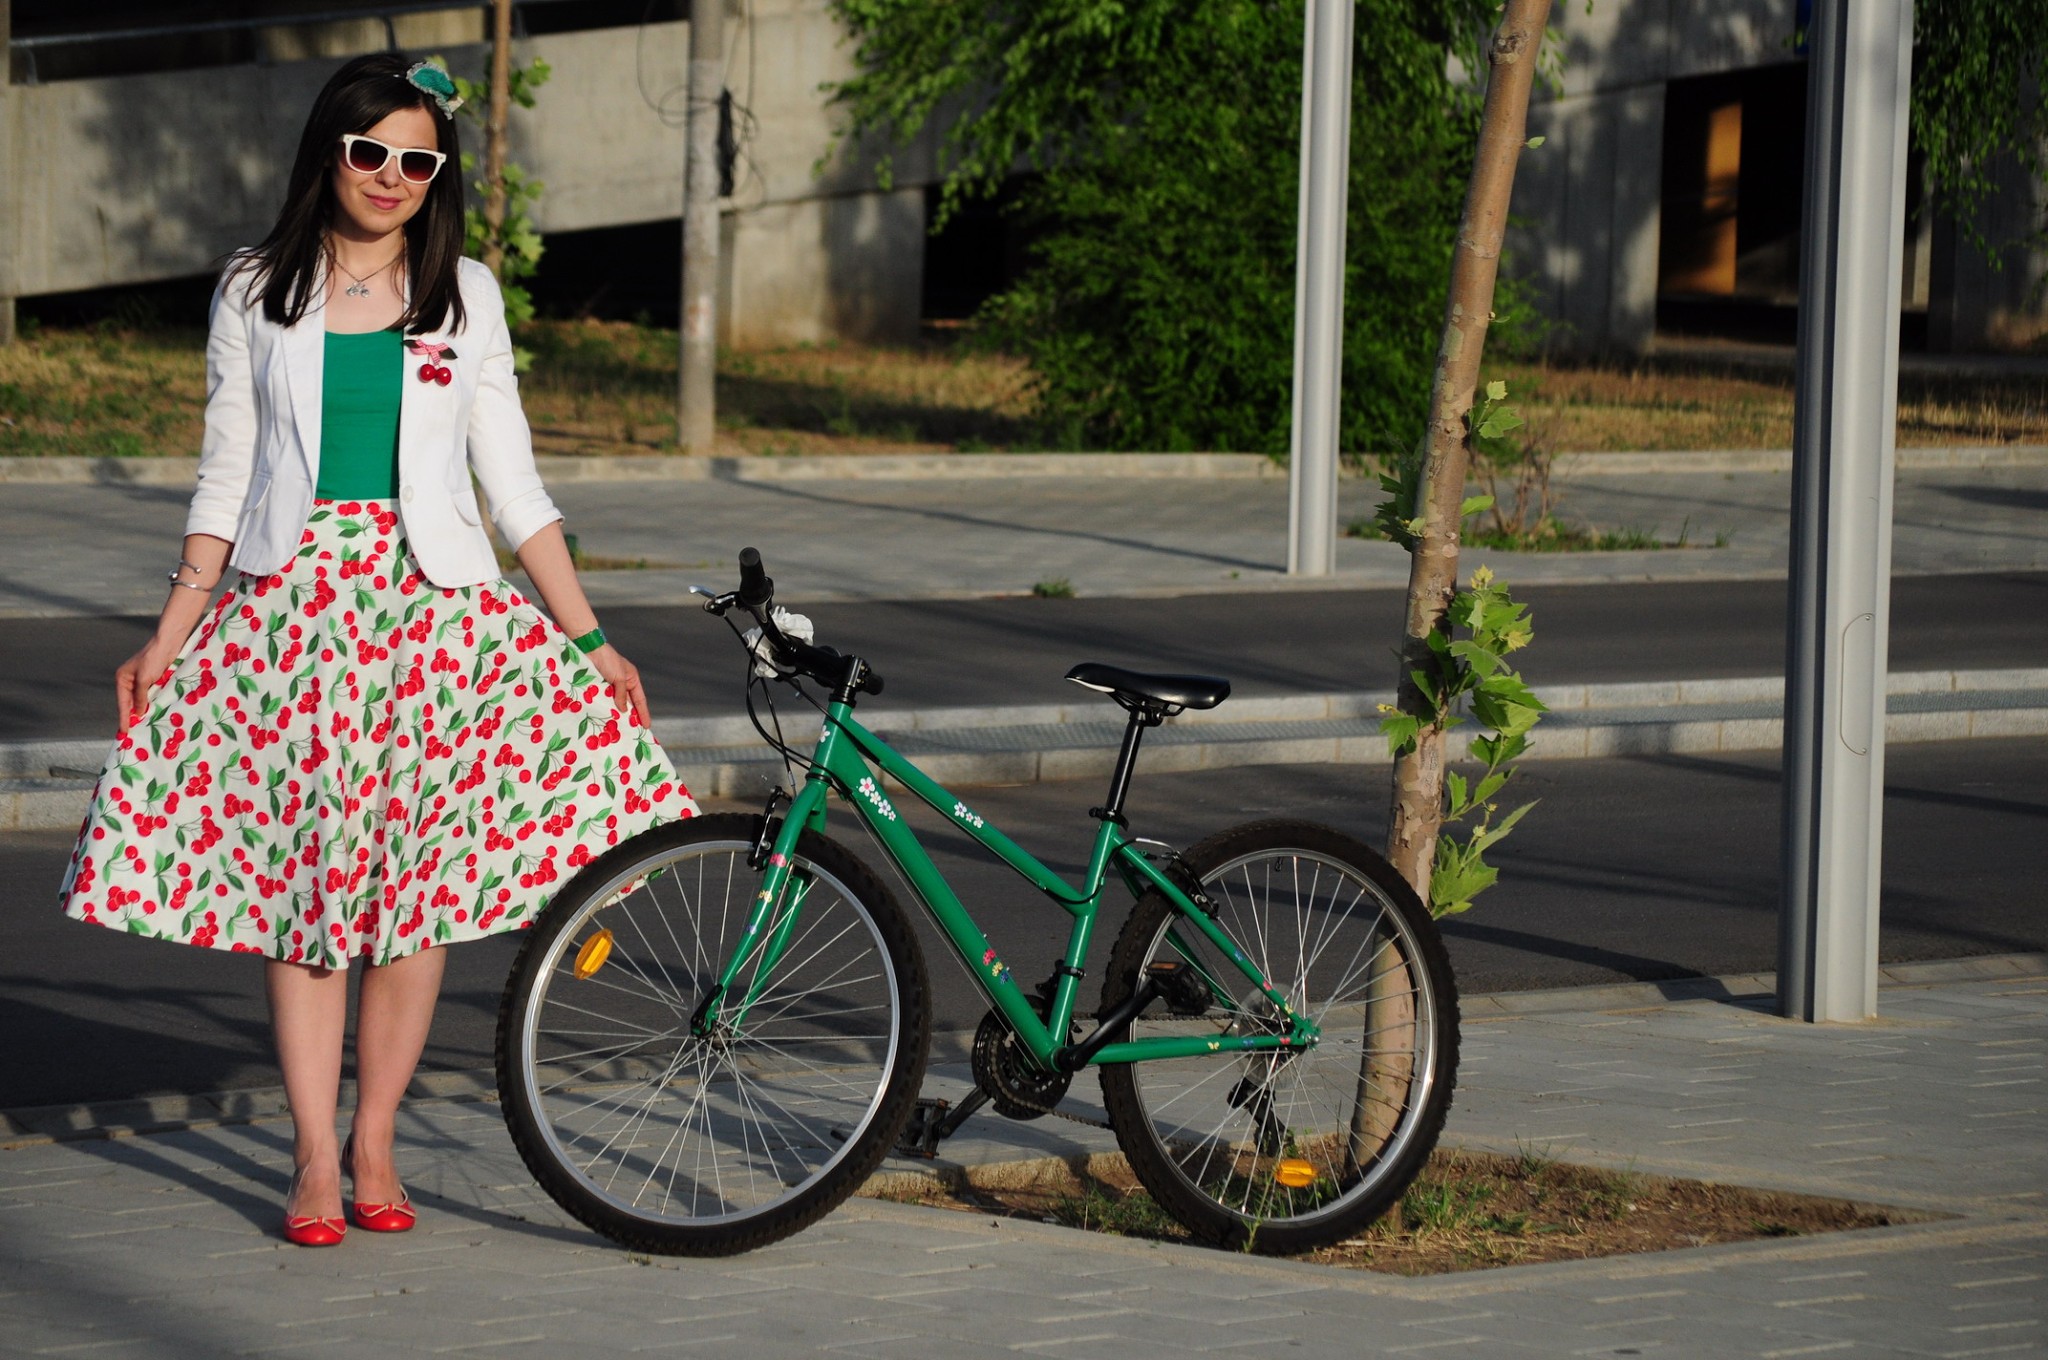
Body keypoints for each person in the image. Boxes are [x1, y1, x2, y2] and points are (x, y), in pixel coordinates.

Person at [56, 53, 695, 1247]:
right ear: (330, 151)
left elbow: (513, 487)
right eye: (369, 151)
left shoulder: (467, 292)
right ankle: (311, 1153)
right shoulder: (255, 286)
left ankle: (375, 1139)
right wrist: (170, 630)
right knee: (308, 889)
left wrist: (590, 636)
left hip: (431, 621)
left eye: (417, 160)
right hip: (293, 615)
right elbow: (224, 475)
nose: (391, 176)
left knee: (415, 898)